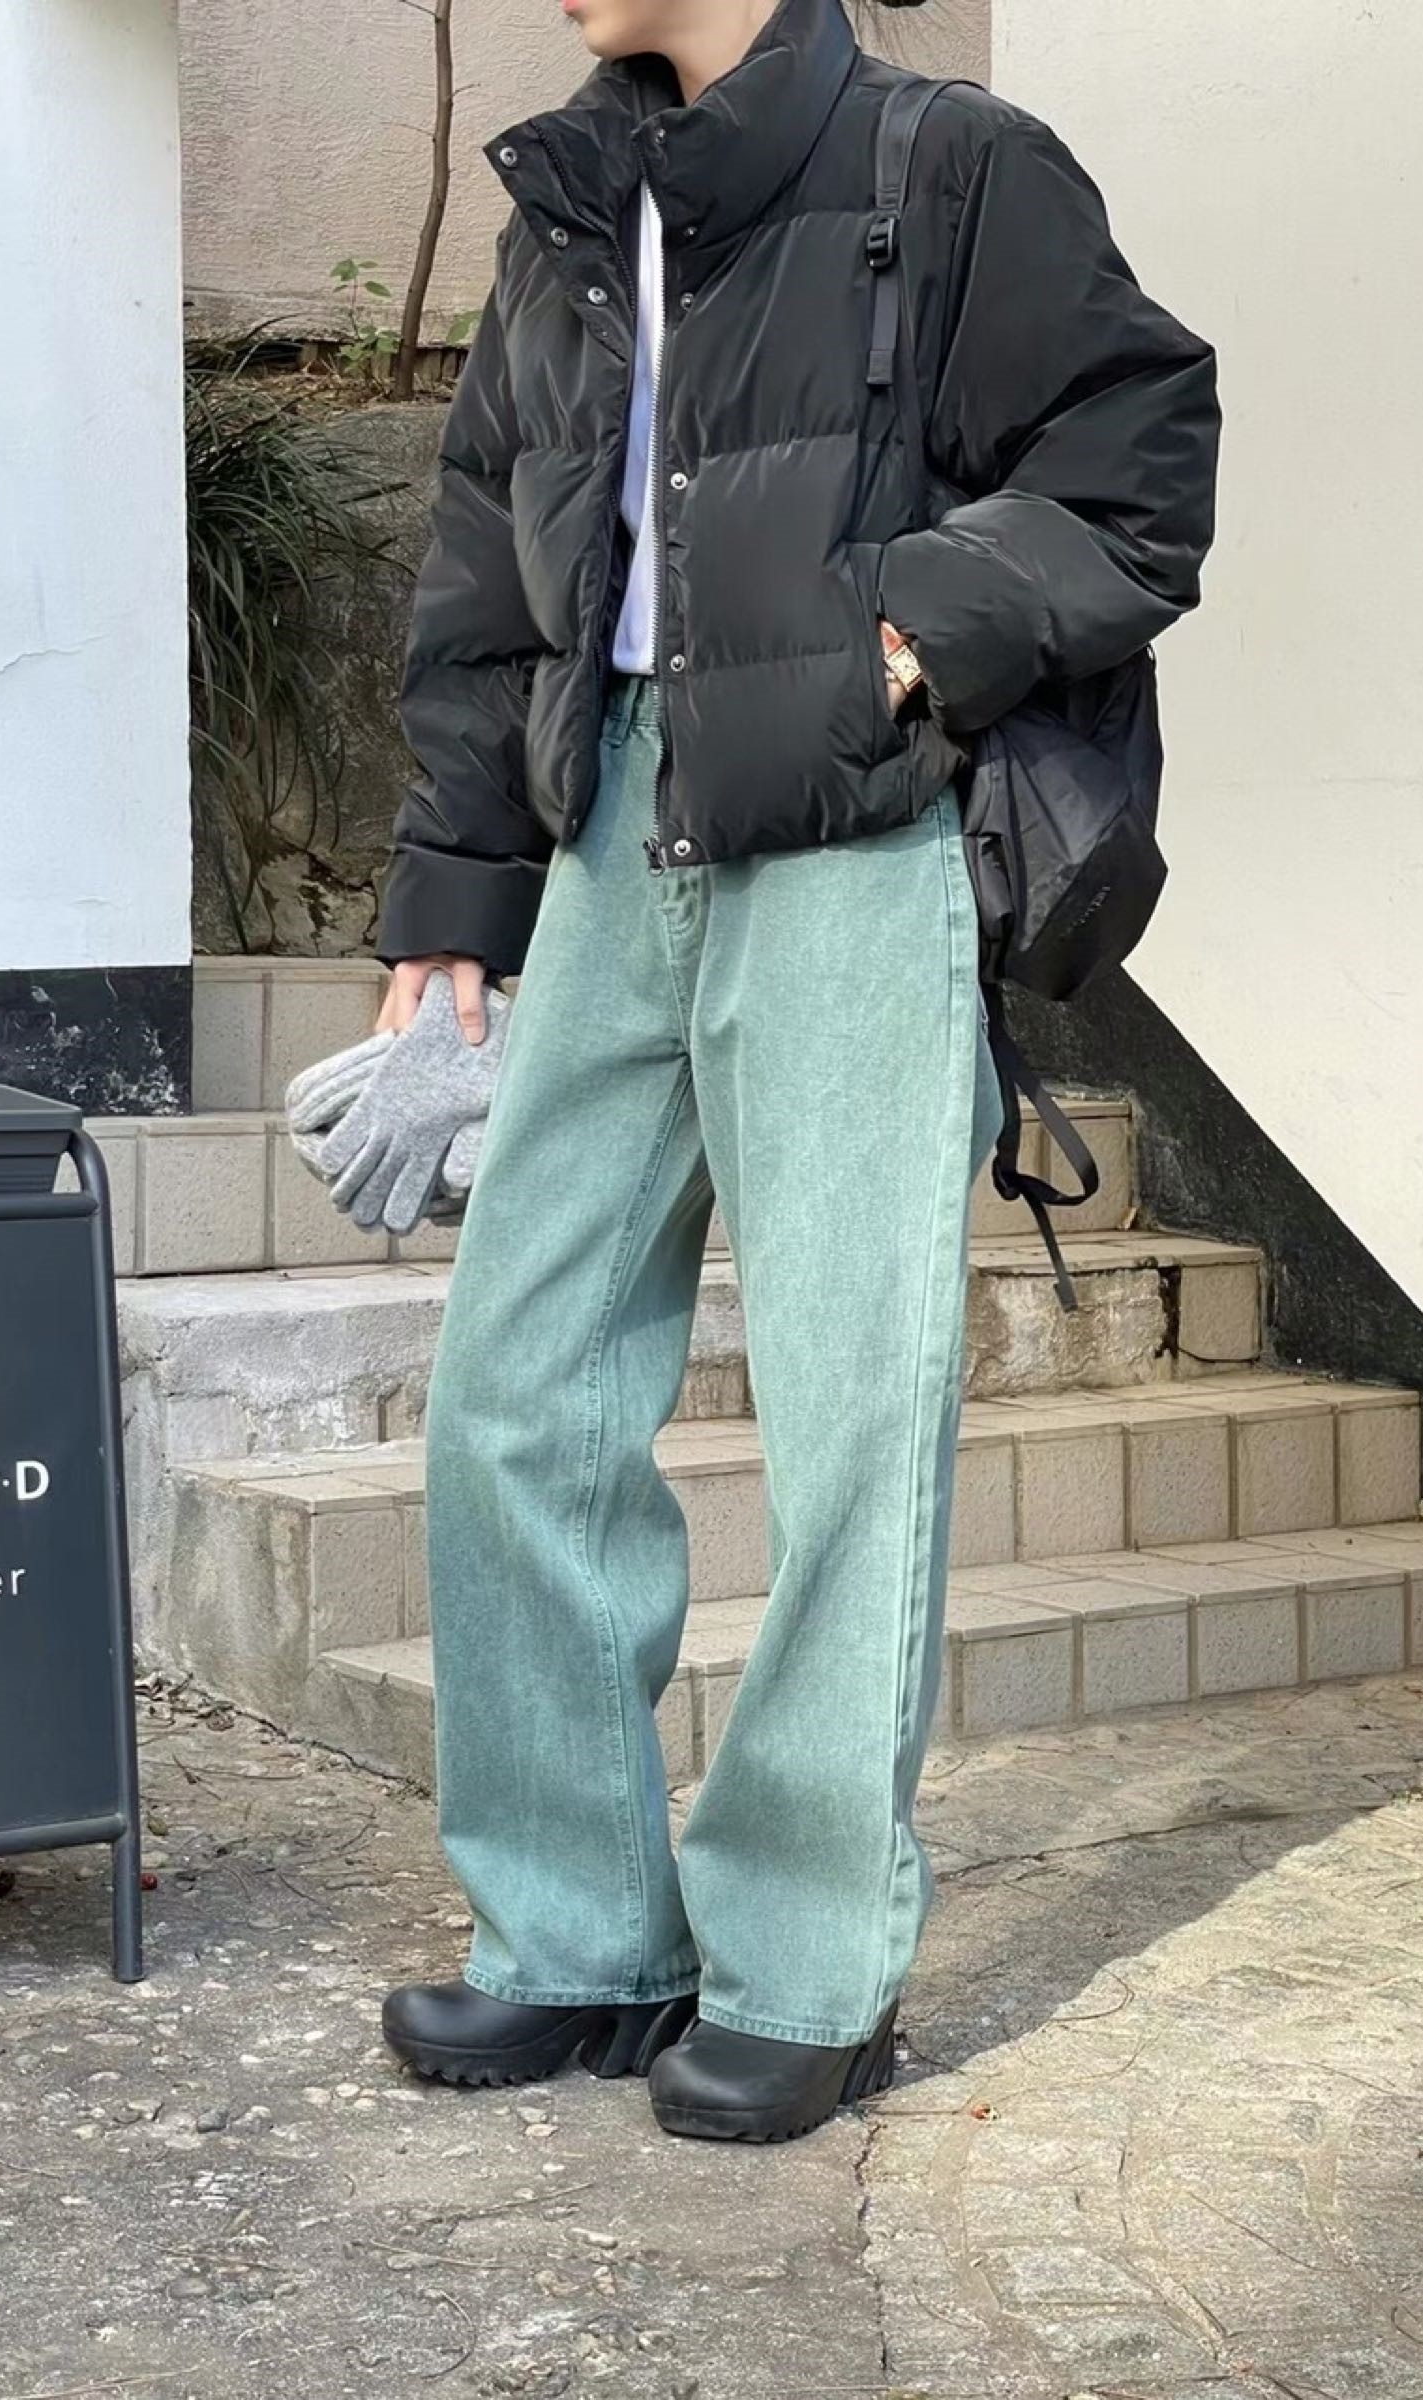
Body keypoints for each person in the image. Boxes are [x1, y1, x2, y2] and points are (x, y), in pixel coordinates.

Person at [374, 0, 1218, 2142]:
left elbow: (1138, 453)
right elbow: (486, 558)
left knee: (852, 1406)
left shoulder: (948, 163)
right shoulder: (571, 205)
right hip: (607, 826)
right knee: (513, 1385)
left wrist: (911, 632)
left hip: (851, 829)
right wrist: (454, 897)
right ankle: (579, 1933)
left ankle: (808, 1959)